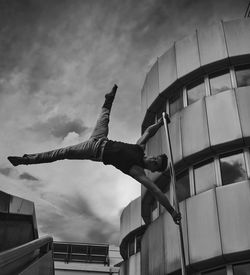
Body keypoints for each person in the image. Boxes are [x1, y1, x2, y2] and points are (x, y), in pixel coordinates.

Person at [8, 85, 181, 224]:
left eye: (154, 163)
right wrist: (160, 121)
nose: (152, 159)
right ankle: (109, 98)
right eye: (155, 157)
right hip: (101, 138)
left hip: (93, 150)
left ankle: (25, 160)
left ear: (152, 169)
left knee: (62, 153)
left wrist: (172, 212)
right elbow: (149, 132)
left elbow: (157, 192)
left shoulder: (138, 172)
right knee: (104, 117)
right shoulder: (139, 148)